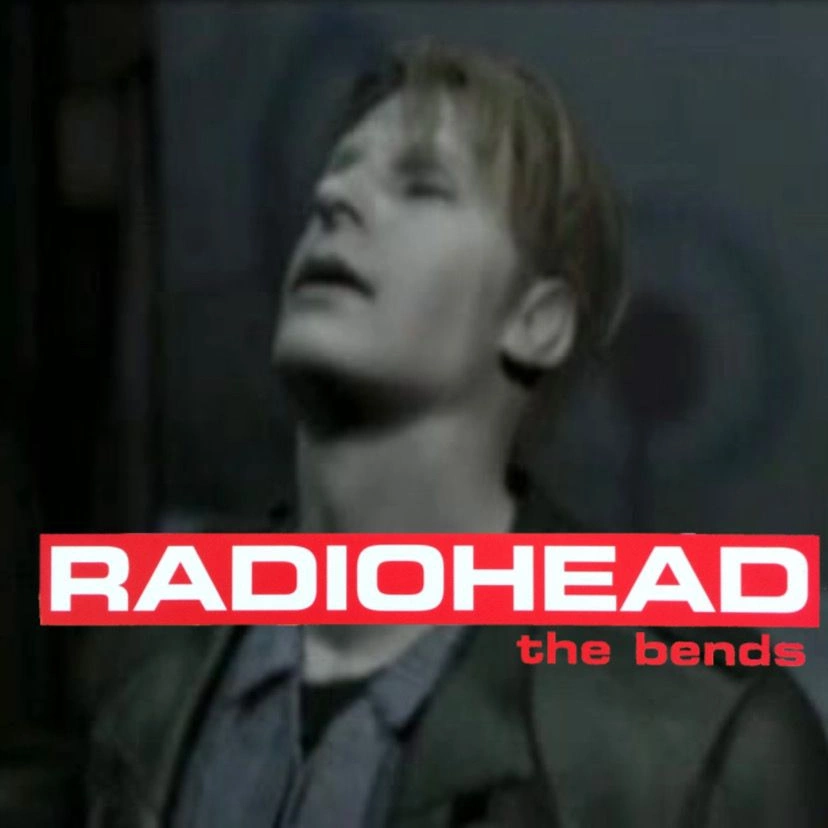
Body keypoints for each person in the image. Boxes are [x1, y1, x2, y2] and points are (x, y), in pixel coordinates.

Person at [85, 39, 828, 827]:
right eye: (335, 178)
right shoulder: (147, 654)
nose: (333, 197)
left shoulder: (710, 744)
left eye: (423, 187)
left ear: (537, 322)